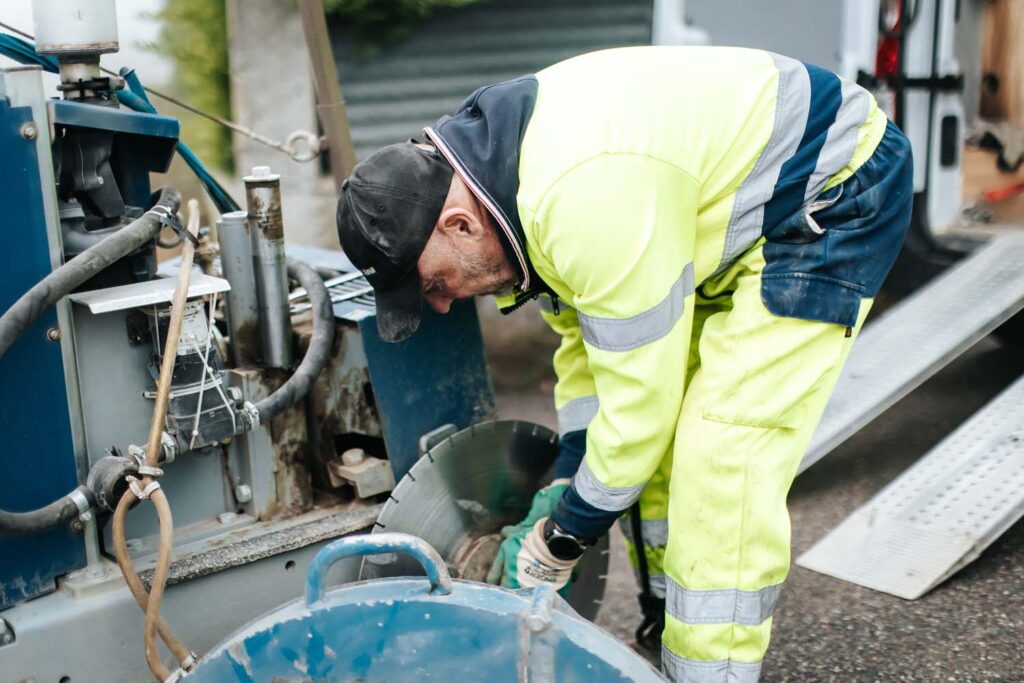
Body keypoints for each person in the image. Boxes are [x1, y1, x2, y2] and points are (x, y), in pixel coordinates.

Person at [336, 46, 912, 682]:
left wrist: (561, 535)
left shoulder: (582, 201)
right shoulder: (507, 194)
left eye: (433, 282)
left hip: (830, 195)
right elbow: (592, 361)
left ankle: (710, 673)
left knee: (721, 450)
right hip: (731, 218)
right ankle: (666, 624)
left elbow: (640, 412)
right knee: (647, 458)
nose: (440, 305)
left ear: (458, 224)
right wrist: (565, 478)